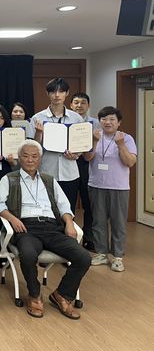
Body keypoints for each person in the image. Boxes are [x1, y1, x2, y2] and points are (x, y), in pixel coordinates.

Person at [0, 139, 91, 320]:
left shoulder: (49, 180)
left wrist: (69, 222)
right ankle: (35, 295)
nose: (30, 160)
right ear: (19, 158)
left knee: (83, 257)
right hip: (25, 227)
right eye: (25, 156)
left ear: (40, 159)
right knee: (28, 254)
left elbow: (64, 205)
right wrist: (12, 219)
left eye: (34, 156)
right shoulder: (9, 179)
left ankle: (63, 295)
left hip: (52, 228)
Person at [85, 107, 137, 272]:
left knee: (118, 222)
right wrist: (94, 142)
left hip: (119, 187)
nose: (107, 122)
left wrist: (120, 145)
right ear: (99, 121)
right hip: (96, 185)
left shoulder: (126, 138)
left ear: (119, 122)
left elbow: (130, 162)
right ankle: (101, 253)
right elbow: (87, 157)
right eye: (104, 119)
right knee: (98, 221)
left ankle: (117, 256)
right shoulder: (94, 136)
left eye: (112, 119)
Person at [27, 78, 84, 211]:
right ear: (48, 94)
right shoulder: (37, 118)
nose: (57, 95)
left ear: (67, 93)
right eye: (53, 92)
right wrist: (39, 133)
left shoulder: (76, 118)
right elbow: (32, 149)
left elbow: (81, 144)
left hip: (70, 173)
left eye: (61, 91)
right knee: (46, 210)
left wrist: (76, 155)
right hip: (47, 172)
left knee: (68, 210)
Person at [70, 92, 100, 251]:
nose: (79, 105)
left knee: (89, 203)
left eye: (83, 102)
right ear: (71, 105)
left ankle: (89, 238)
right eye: (76, 102)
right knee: (68, 203)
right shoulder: (65, 121)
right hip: (68, 163)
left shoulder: (96, 123)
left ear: (88, 106)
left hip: (88, 165)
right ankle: (69, 239)